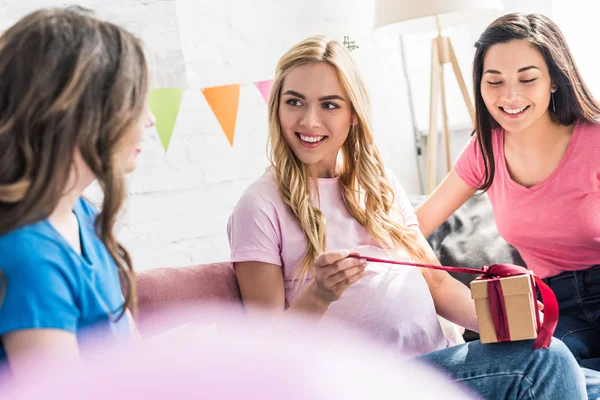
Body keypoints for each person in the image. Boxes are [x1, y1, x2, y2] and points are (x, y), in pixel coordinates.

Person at [228, 35, 591, 399]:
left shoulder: (377, 184)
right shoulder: (260, 206)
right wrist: (320, 295)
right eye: (295, 102)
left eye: (329, 105)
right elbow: (268, 350)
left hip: (436, 363)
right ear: (277, 107)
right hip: (364, 381)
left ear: (353, 115)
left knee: (562, 364)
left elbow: (438, 287)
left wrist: (518, 326)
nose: (310, 120)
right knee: (546, 364)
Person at [415, 13, 600, 372]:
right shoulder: (486, 150)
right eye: (494, 81)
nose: (510, 96)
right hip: (551, 305)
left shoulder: (594, 140)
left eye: (527, 78)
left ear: (553, 81)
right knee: (540, 368)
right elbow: (414, 225)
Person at [0, 7, 155, 379]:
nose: (149, 118)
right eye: (134, 103)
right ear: (79, 118)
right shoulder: (29, 257)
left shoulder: (82, 214)